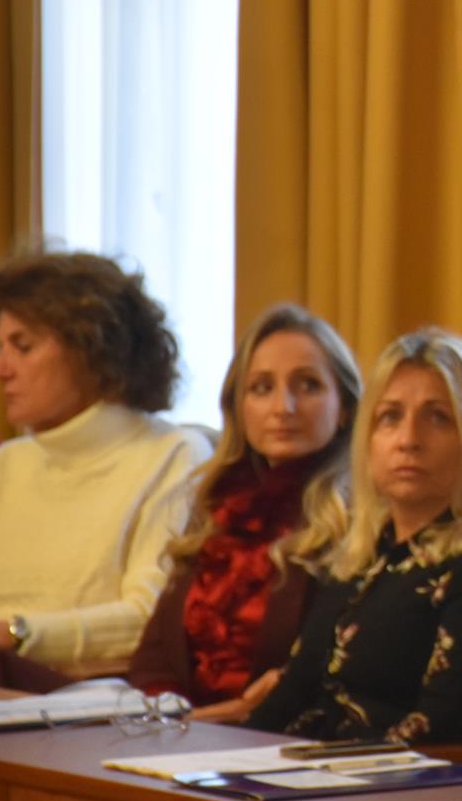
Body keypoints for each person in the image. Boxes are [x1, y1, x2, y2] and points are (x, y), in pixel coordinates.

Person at [247, 327, 462, 745]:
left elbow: (449, 727)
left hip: (413, 777)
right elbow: (291, 696)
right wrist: (224, 761)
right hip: (310, 768)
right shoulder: (364, 547)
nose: (409, 440)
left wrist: (311, 768)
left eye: (438, 418)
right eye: (390, 417)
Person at [0, 250, 212, 682]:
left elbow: (149, 620)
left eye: (23, 347)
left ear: (91, 350)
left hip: (102, 699)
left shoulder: (173, 454)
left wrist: (12, 634)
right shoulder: (4, 465)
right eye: (1, 347)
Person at [127, 304, 363, 719]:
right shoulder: (216, 506)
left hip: (279, 738)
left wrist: (197, 722)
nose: (283, 407)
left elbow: (317, 683)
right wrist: (174, 718)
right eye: (262, 388)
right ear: (238, 407)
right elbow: (153, 661)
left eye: (308, 385)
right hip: (183, 733)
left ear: (344, 406)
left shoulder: (358, 518)